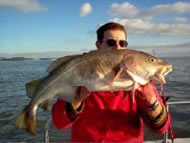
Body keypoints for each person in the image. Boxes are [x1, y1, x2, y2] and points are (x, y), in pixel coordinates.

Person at [51, 22, 170, 142]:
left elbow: (161, 128)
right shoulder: (80, 74)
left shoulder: (140, 82)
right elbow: (59, 123)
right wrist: (78, 99)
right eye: (111, 42)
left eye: (123, 43)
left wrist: (151, 101)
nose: (118, 47)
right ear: (98, 45)